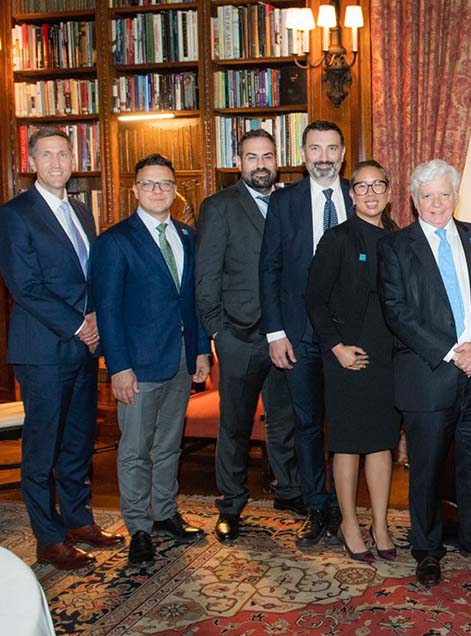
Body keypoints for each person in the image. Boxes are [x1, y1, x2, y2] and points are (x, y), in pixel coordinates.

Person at [378, 159, 471, 587]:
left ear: (456, 195)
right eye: (427, 195)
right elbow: (397, 312)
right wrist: (454, 351)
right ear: (414, 200)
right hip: (427, 376)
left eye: (445, 194)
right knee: (427, 470)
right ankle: (427, 549)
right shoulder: (395, 247)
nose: (437, 203)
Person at [0, 127, 124, 570]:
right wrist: (78, 325)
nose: (56, 162)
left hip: (83, 346)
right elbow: (25, 286)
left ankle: (78, 520)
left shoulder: (81, 212)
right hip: (43, 350)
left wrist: (94, 320)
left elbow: (90, 276)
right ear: (31, 162)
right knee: (42, 447)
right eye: (47, 155)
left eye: (63, 154)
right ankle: (48, 539)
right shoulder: (15, 214)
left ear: (74, 160)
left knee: (77, 441)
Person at [91, 154, 211, 567]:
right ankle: (139, 527)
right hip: (137, 366)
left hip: (180, 360)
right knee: (136, 449)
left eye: (165, 184)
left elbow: (190, 301)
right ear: (135, 190)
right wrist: (118, 367)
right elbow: (106, 310)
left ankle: (164, 513)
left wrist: (199, 351)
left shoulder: (187, 235)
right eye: (149, 184)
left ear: (175, 190)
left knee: (167, 444)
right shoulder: (114, 241)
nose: (158, 191)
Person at [195, 129, 305, 544]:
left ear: (279, 159)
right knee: (235, 425)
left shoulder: (290, 203)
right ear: (238, 161)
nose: (261, 164)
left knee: (285, 419)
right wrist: (218, 331)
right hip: (239, 337)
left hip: (286, 336)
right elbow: (206, 277)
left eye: (268, 156)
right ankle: (230, 504)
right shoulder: (219, 207)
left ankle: (289, 491)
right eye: (251, 156)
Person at [259, 120, 354, 547]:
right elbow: (270, 269)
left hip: (351, 336)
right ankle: (318, 505)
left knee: (347, 423)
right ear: (303, 154)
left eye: (331, 148)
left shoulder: (361, 193)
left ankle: (347, 506)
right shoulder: (284, 203)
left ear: (343, 152)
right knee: (308, 423)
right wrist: (275, 332)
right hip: (297, 334)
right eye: (315, 149)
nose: (323, 157)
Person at [305, 160, 400, 563]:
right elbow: (314, 298)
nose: (371, 193)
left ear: (390, 192)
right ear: (352, 194)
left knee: (381, 444)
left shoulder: (401, 237)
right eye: (362, 187)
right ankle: (348, 523)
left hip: (390, 357)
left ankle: (379, 524)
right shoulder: (337, 238)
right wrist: (336, 347)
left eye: (378, 185)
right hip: (348, 357)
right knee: (347, 445)